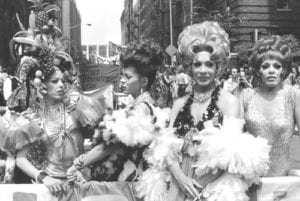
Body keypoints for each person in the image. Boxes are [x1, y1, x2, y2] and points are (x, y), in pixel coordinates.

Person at [166, 21, 270, 201]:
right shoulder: (179, 104)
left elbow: (230, 155)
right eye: (197, 64)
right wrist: (181, 179)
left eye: (209, 64)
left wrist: (195, 183)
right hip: (177, 184)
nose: (203, 70)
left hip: (212, 186)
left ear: (218, 67)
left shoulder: (229, 102)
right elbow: (164, 147)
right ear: (190, 67)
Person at [66, 39, 174, 201]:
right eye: (122, 75)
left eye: (128, 77)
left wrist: (78, 165)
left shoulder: (142, 108)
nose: (122, 80)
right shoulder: (138, 103)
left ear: (143, 81)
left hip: (133, 186)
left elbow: (109, 146)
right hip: (127, 182)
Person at [241, 35, 300, 177]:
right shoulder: (246, 95)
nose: (271, 70)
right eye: (265, 66)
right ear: (257, 70)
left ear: (284, 70)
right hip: (249, 180)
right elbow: (234, 139)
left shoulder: (293, 95)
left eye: (277, 66)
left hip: (282, 184)